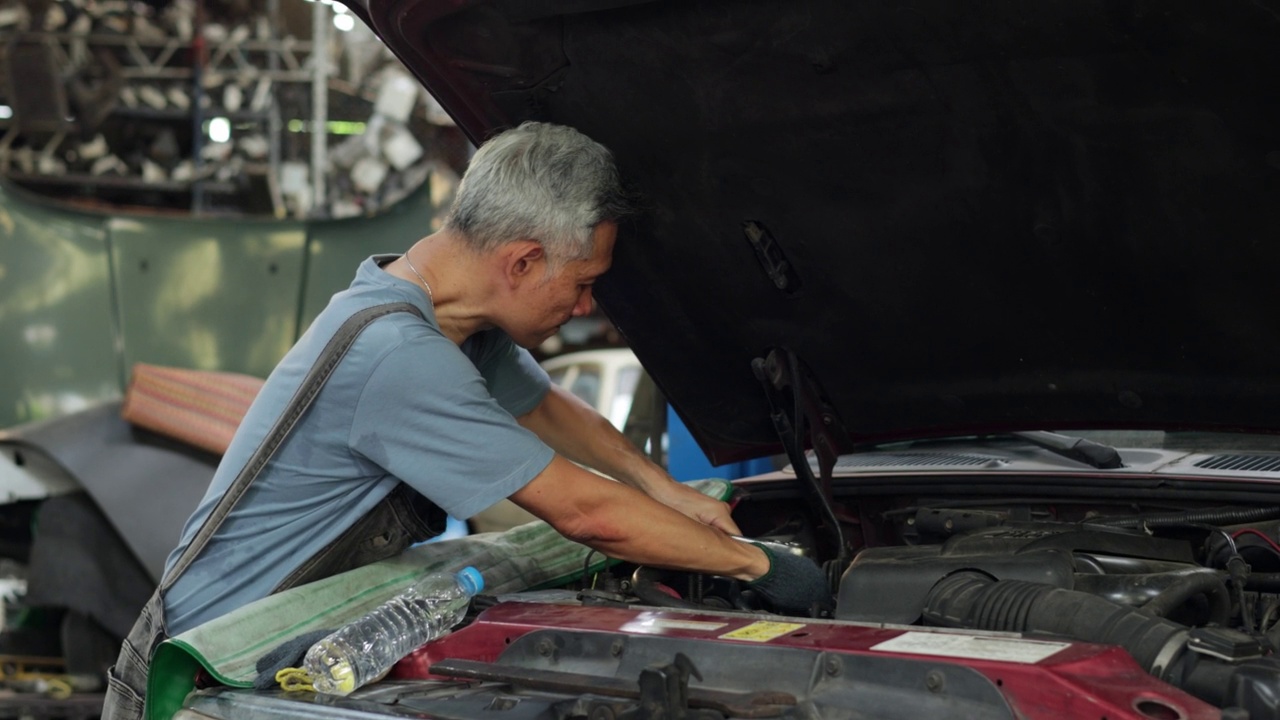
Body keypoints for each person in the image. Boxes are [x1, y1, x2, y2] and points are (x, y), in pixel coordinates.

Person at [103, 121, 828, 719]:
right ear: (520, 262)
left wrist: (668, 493)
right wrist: (762, 567)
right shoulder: (398, 353)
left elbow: (546, 406)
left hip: (300, 635)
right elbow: (583, 514)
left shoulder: (448, 315)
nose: (584, 309)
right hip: (208, 670)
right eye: (582, 285)